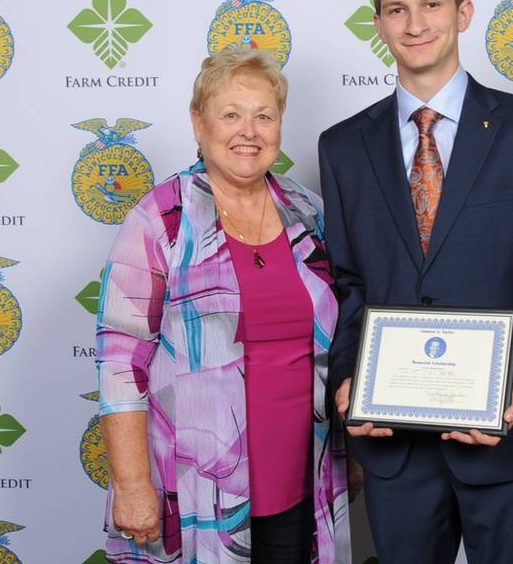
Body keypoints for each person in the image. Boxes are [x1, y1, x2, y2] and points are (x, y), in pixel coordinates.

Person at [318, 0, 513, 564]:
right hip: (394, 447)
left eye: (430, 4)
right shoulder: (342, 146)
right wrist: (346, 382)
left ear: (464, 11)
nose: (415, 24)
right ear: (378, 25)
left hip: (511, 439)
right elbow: (347, 287)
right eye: (396, 10)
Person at [96, 48, 350, 564]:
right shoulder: (161, 217)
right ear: (198, 122)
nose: (248, 132)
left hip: (305, 481)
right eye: (231, 114)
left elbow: (343, 339)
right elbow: (121, 359)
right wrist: (132, 483)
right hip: (195, 489)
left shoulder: (309, 212)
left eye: (264, 116)